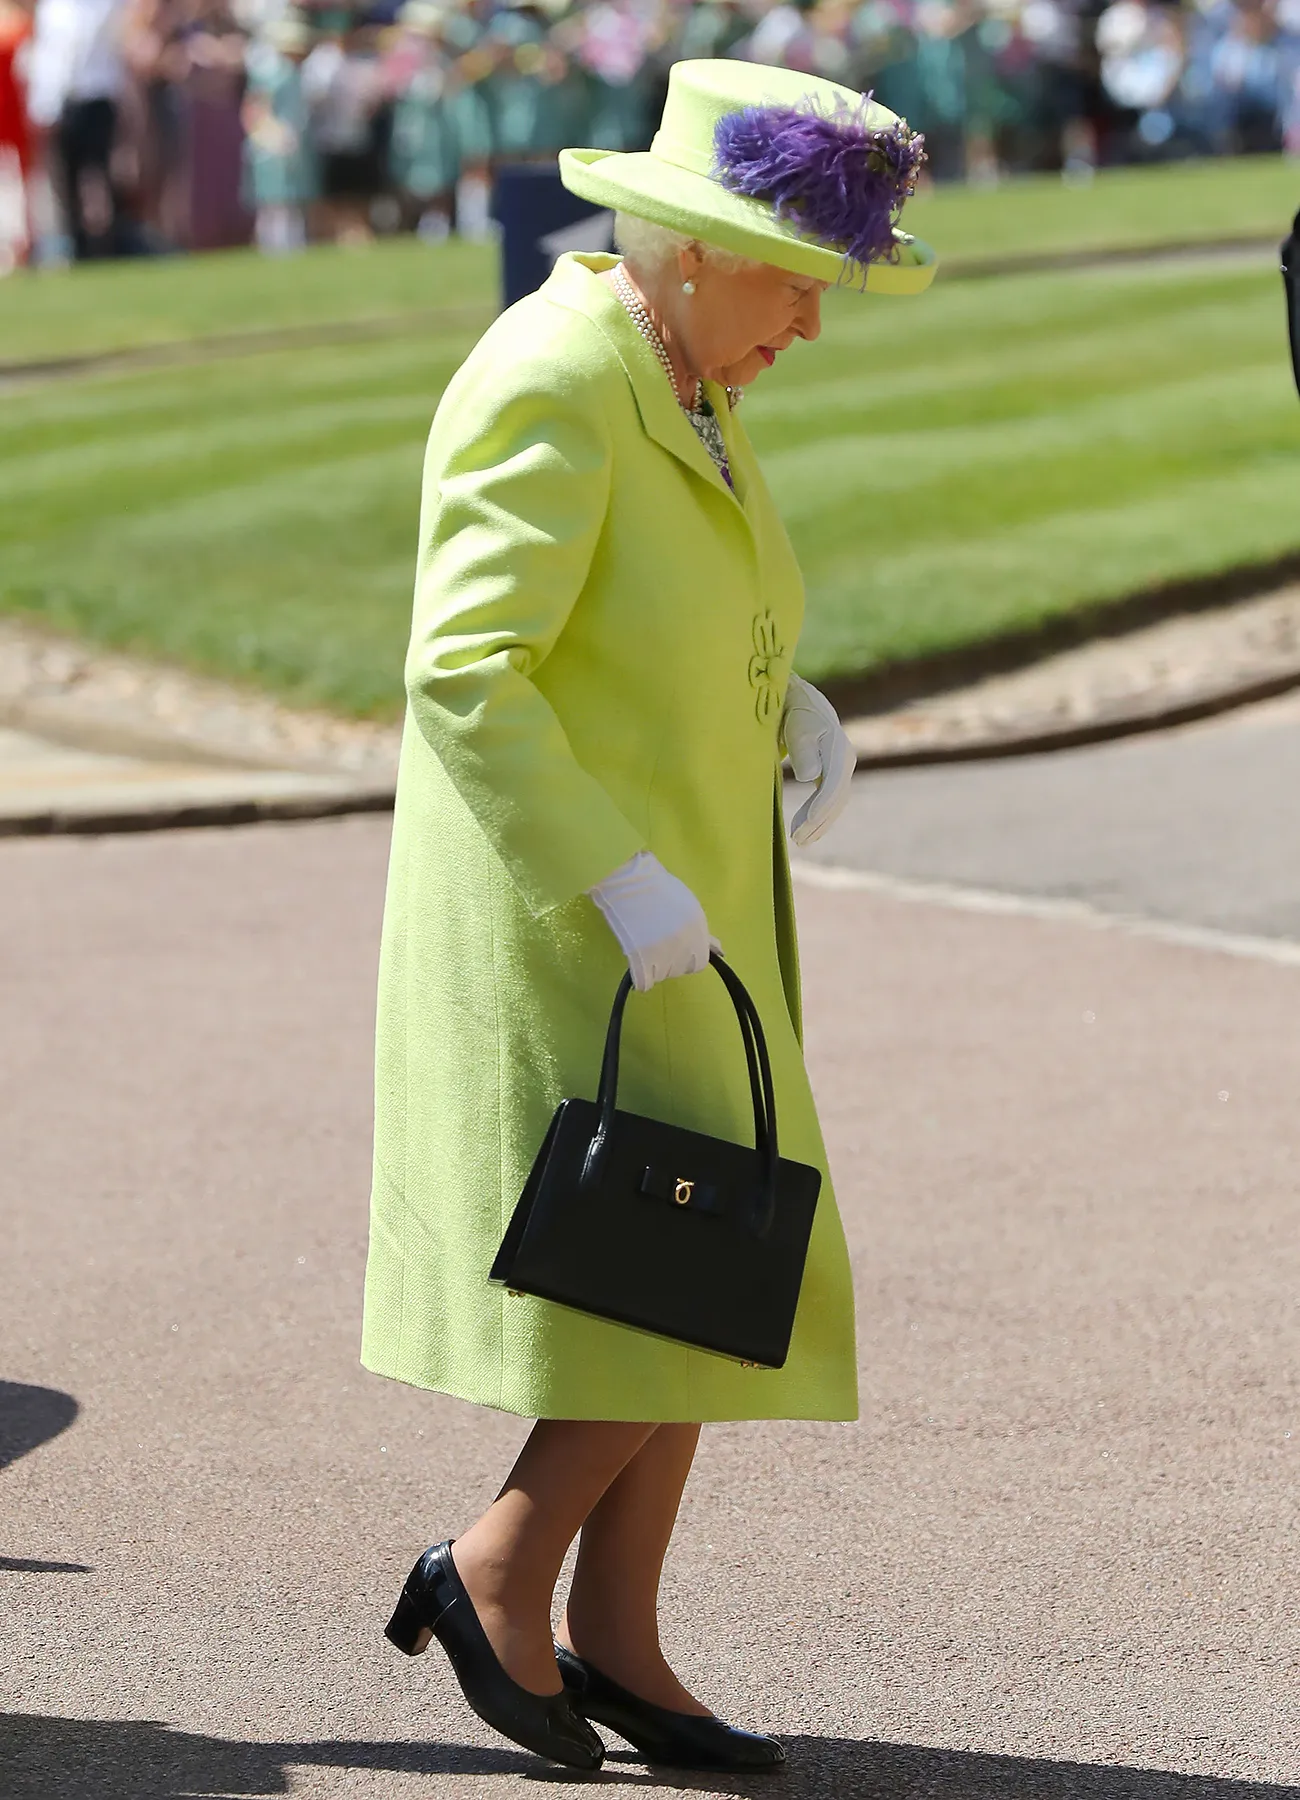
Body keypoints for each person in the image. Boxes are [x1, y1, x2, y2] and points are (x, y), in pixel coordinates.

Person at [362, 55, 935, 1774]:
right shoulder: (559, 369)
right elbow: (467, 668)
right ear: (690, 247)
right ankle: (496, 1569)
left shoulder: (683, 374)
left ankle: (614, 1636)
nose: (814, 329)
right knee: (677, 1268)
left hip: (683, 895)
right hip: (584, 911)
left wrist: (783, 702)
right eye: (803, 284)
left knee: (711, 1254)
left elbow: (656, 610)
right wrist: (612, 874)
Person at [241, 11, 318, 252]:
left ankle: (291, 243)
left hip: (291, 140)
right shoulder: (270, 74)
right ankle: (273, 244)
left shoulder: (292, 74)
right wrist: (270, 136)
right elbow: (254, 110)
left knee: (290, 198)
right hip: (272, 143)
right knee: (273, 199)